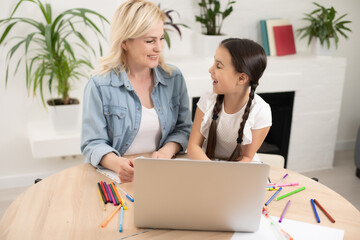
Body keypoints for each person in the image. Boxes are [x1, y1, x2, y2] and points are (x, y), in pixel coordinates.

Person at [81, 0, 192, 182]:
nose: (159, 48)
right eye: (150, 41)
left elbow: (184, 128)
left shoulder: (174, 78)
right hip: (115, 178)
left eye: (161, 38)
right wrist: (118, 164)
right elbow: (92, 143)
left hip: (161, 176)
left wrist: (167, 151)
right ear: (125, 42)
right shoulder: (99, 85)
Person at [187, 38, 271, 162]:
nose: (210, 70)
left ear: (242, 78)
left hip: (239, 172)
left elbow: (246, 158)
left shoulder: (261, 111)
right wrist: (213, 171)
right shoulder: (208, 99)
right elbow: (193, 147)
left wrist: (224, 177)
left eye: (219, 66)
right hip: (206, 166)